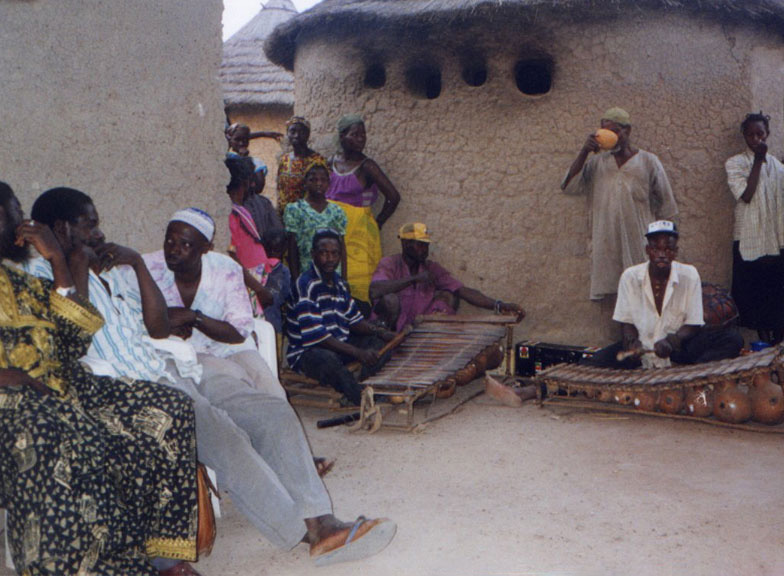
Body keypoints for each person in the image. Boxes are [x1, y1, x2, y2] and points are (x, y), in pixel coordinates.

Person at [28, 191, 397, 567]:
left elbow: (156, 327)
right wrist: (72, 262)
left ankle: (321, 517)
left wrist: (137, 265)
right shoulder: (42, 276)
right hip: (134, 389)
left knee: (272, 411)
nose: (99, 232)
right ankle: (311, 533)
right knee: (225, 437)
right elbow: (73, 338)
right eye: (91, 225)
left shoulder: (107, 269)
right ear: (63, 229)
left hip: (174, 365)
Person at [0, 182, 200, 576]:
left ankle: (159, 557)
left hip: (66, 386)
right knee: (59, 435)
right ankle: (68, 566)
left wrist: (59, 261)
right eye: (13, 210)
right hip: (17, 401)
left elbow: (74, 339)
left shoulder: (22, 279)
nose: (23, 220)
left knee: (169, 410)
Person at [589, 220, 741, 370]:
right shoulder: (630, 277)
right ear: (648, 250)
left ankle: (690, 373)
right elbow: (626, 322)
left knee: (733, 340)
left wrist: (672, 341)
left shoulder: (689, 275)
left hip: (677, 349)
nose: (662, 255)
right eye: (656, 249)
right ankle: (660, 369)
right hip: (642, 351)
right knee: (593, 363)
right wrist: (632, 342)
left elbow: (694, 323)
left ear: (675, 252)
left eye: (668, 250)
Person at [561, 107, 678, 300]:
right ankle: (622, 330)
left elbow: (667, 207)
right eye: (605, 132)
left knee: (642, 292)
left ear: (627, 131)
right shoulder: (597, 163)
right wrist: (584, 151)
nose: (610, 136)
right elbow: (568, 186)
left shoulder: (648, 161)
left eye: (615, 131)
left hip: (638, 241)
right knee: (615, 295)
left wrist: (662, 246)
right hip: (607, 240)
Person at [287, 228, 396, 406]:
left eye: (335, 254)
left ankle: (363, 387)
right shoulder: (305, 285)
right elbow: (318, 338)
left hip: (339, 346)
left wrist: (381, 332)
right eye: (324, 253)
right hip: (308, 352)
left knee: (379, 344)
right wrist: (358, 353)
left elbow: (354, 321)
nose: (330, 259)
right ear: (313, 254)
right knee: (326, 359)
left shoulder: (339, 283)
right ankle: (360, 398)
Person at [369, 223, 525, 332]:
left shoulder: (431, 268)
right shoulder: (390, 263)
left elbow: (463, 290)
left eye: (426, 245)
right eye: (420, 245)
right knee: (390, 300)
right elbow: (375, 291)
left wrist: (499, 305)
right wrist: (414, 279)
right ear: (405, 244)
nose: (425, 250)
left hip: (415, 333)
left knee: (449, 296)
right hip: (389, 334)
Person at [327, 114, 401, 310]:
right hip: (330, 229)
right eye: (355, 134)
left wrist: (378, 222)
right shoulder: (330, 163)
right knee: (330, 274)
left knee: (357, 282)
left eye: (363, 134)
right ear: (342, 137)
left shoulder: (367, 166)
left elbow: (393, 196)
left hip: (358, 232)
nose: (361, 139)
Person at [725, 112, 784, 344]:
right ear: (744, 137)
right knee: (754, 291)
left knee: (777, 291)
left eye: (760, 134)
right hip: (749, 237)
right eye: (750, 135)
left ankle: (777, 346)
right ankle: (763, 343)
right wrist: (758, 160)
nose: (756, 139)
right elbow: (746, 195)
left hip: (775, 238)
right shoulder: (735, 163)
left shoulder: (778, 167)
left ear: (767, 134)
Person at [225, 156, 275, 316]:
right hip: (249, 286)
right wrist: (258, 288)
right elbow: (231, 255)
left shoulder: (240, 210)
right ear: (246, 183)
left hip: (255, 282)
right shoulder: (231, 215)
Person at [284, 159, 348, 278]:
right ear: (305, 183)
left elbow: (342, 247)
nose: (319, 183)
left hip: (333, 273)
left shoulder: (337, 211)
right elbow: (292, 248)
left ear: (329, 183)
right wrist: (295, 278)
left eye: (323, 180)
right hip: (307, 272)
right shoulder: (295, 209)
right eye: (313, 180)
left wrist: (344, 279)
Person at [225, 123, 284, 236]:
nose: (242, 143)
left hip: (250, 203)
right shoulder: (225, 158)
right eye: (237, 140)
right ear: (229, 140)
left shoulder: (255, 162)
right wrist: (262, 133)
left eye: (245, 140)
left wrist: (244, 160)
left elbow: (259, 187)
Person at [276, 116, 326, 217]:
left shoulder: (316, 161)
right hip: (284, 215)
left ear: (308, 135)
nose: (297, 135)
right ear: (287, 133)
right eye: (292, 131)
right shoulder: (284, 159)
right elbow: (280, 188)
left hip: (307, 216)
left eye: (302, 132)